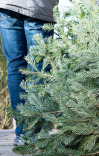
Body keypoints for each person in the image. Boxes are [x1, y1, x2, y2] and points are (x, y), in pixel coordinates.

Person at [0, 0, 59, 146]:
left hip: (8, 6)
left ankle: (22, 133)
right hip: (39, 8)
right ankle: (34, 132)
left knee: (15, 68)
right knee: (39, 69)